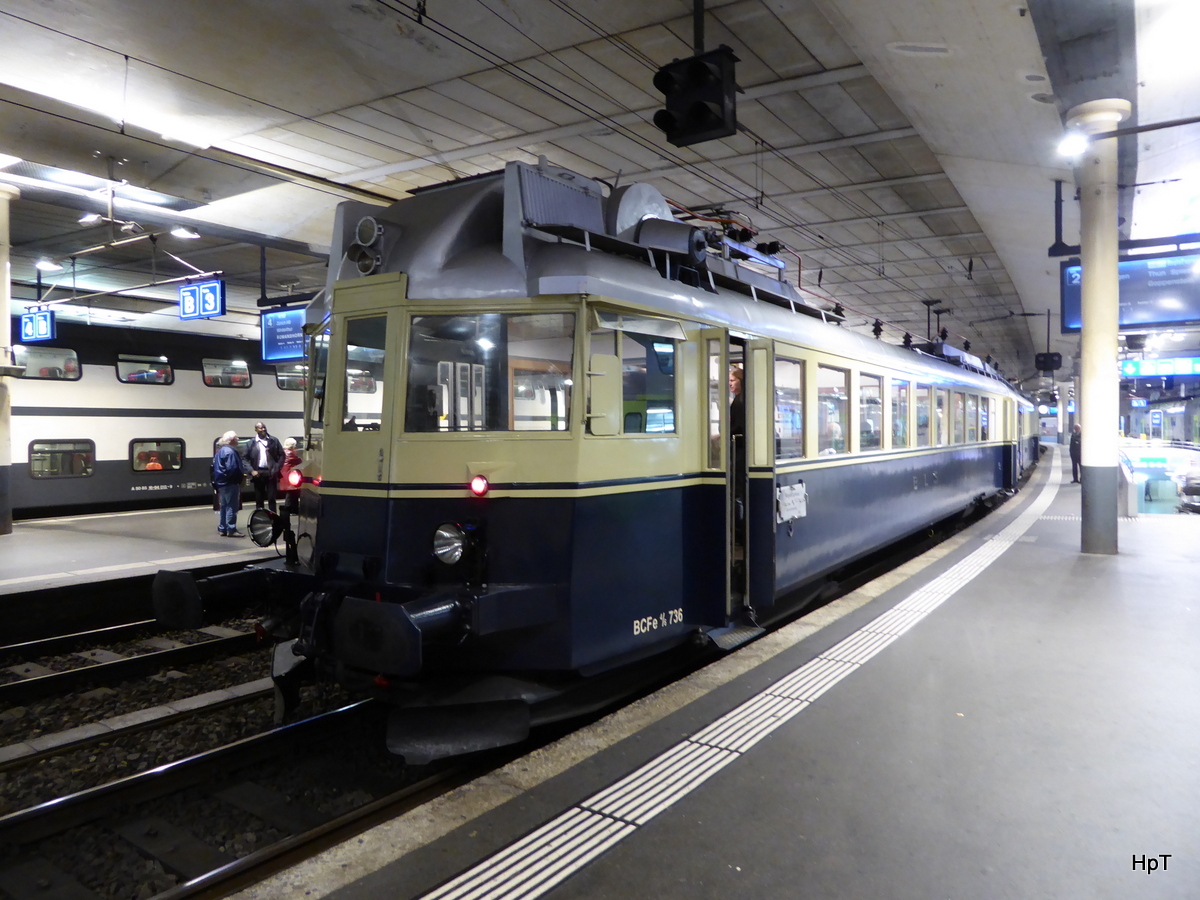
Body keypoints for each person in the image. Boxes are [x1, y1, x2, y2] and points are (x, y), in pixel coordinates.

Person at [243, 422, 285, 512]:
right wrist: (251, 470)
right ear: (256, 430)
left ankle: (273, 518)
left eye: (264, 427)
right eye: (260, 428)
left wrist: (277, 467)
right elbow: (244, 459)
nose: (263, 429)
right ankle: (260, 518)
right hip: (258, 473)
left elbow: (282, 455)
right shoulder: (251, 443)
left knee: (272, 498)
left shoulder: (273, 441)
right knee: (259, 498)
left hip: (271, 472)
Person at [212, 431, 245, 537]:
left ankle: (223, 528)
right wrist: (238, 479)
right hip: (230, 483)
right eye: (236, 438)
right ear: (231, 440)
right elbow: (232, 468)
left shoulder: (221, 451)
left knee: (224, 506)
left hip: (221, 483)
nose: (238, 440)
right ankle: (231, 529)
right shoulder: (230, 452)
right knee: (232, 506)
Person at [277, 437, 303, 516]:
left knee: (292, 492)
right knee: (291, 492)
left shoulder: (283, 452)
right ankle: (289, 508)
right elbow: (298, 460)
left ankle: (293, 509)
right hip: (290, 475)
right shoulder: (290, 453)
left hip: (285, 475)